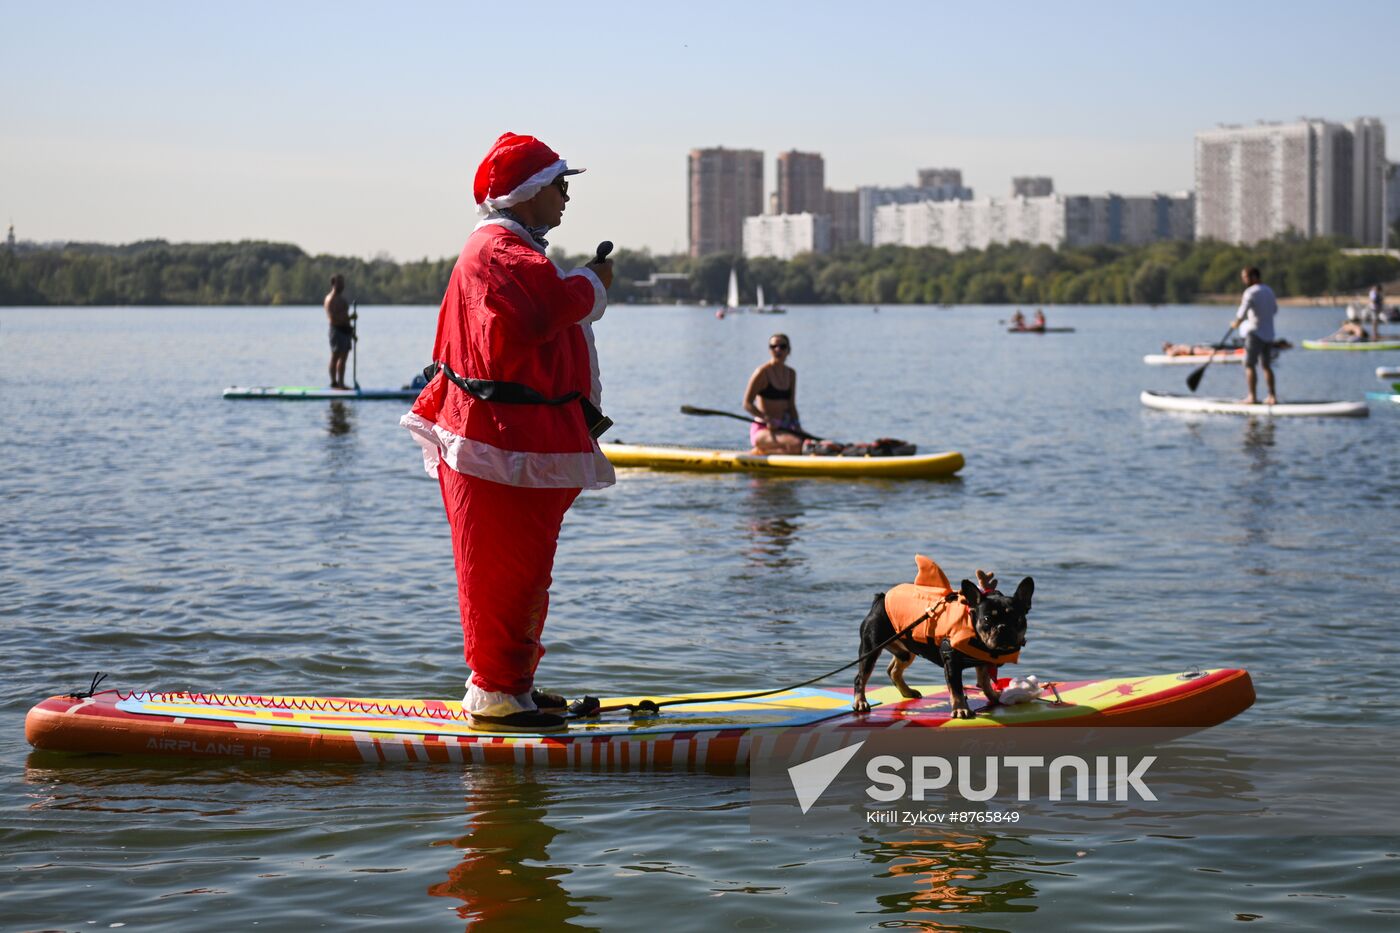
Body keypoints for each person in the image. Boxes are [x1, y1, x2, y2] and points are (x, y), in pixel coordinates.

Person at [400, 132, 614, 733]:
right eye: (558, 184)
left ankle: (508, 684)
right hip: (495, 440)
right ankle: (494, 695)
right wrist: (594, 283)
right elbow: (546, 310)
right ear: (528, 193)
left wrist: (583, 281)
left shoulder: (507, 248)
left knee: (521, 571)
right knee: (502, 570)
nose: (567, 195)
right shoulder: (499, 250)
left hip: (510, 440)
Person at [743, 334, 803, 454]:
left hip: (784, 428)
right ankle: (759, 452)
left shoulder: (791, 374)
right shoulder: (762, 372)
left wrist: (797, 425)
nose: (777, 349)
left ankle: (769, 451)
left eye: (782, 346)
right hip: (764, 429)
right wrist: (766, 419)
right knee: (797, 445)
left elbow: (791, 405)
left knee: (810, 444)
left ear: (788, 350)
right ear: (770, 350)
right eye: (773, 346)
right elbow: (747, 404)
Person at [1228, 266, 1278, 405]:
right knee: (1266, 366)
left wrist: (1235, 323)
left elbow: (1241, 314)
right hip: (1269, 333)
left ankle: (1252, 397)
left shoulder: (1250, 292)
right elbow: (1274, 310)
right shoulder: (1269, 290)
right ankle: (1272, 397)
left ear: (1254, 277)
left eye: (1245, 277)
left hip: (1254, 333)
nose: (1244, 280)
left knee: (1249, 365)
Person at [325, 274, 354, 389]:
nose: (342, 285)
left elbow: (344, 315)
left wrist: (351, 330)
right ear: (333, 283)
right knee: (336, 356)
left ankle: (341, 383)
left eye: (343, 283)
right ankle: (335, 383)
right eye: (339, 283)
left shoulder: (342, 299)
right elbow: (332, 318)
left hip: (346, 330)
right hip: (336, 330)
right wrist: (349, 318)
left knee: (344, 357)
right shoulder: (330, 299)